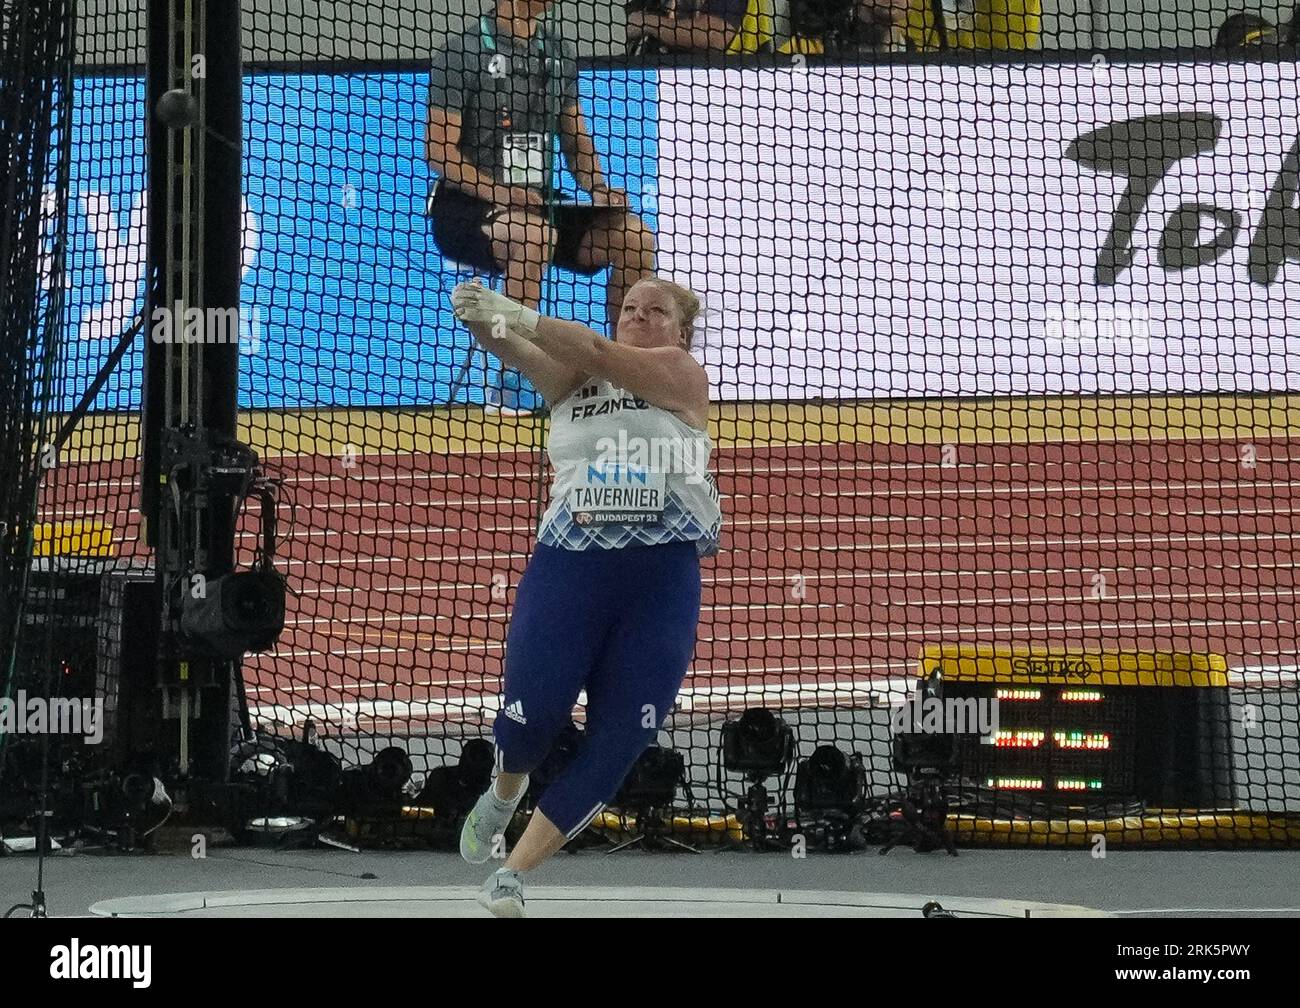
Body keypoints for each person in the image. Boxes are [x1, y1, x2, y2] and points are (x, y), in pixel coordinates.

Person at [448, 275, 723, 917]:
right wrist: (480, 319)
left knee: (619, 739)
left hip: (658, 583)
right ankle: (502, 795)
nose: (638, 317)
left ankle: (511, 877)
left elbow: (597, 351)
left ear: (681, 331)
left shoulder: (681, 376)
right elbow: (518, 350)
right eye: (629, 308)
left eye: (655, 311)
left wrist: (515, 310)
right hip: (570, 571)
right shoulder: (572, 381)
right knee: (534, 717)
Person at [426, 0, 657, 413]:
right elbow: (439, 151)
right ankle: (516, 376)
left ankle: (628, 374)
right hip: (467, 207)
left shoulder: (557, 52)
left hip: (538, 202)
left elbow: (575, 138)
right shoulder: (461, 53)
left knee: (634, 237)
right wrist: (500, 193)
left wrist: (597, 186)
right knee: (534, 236)